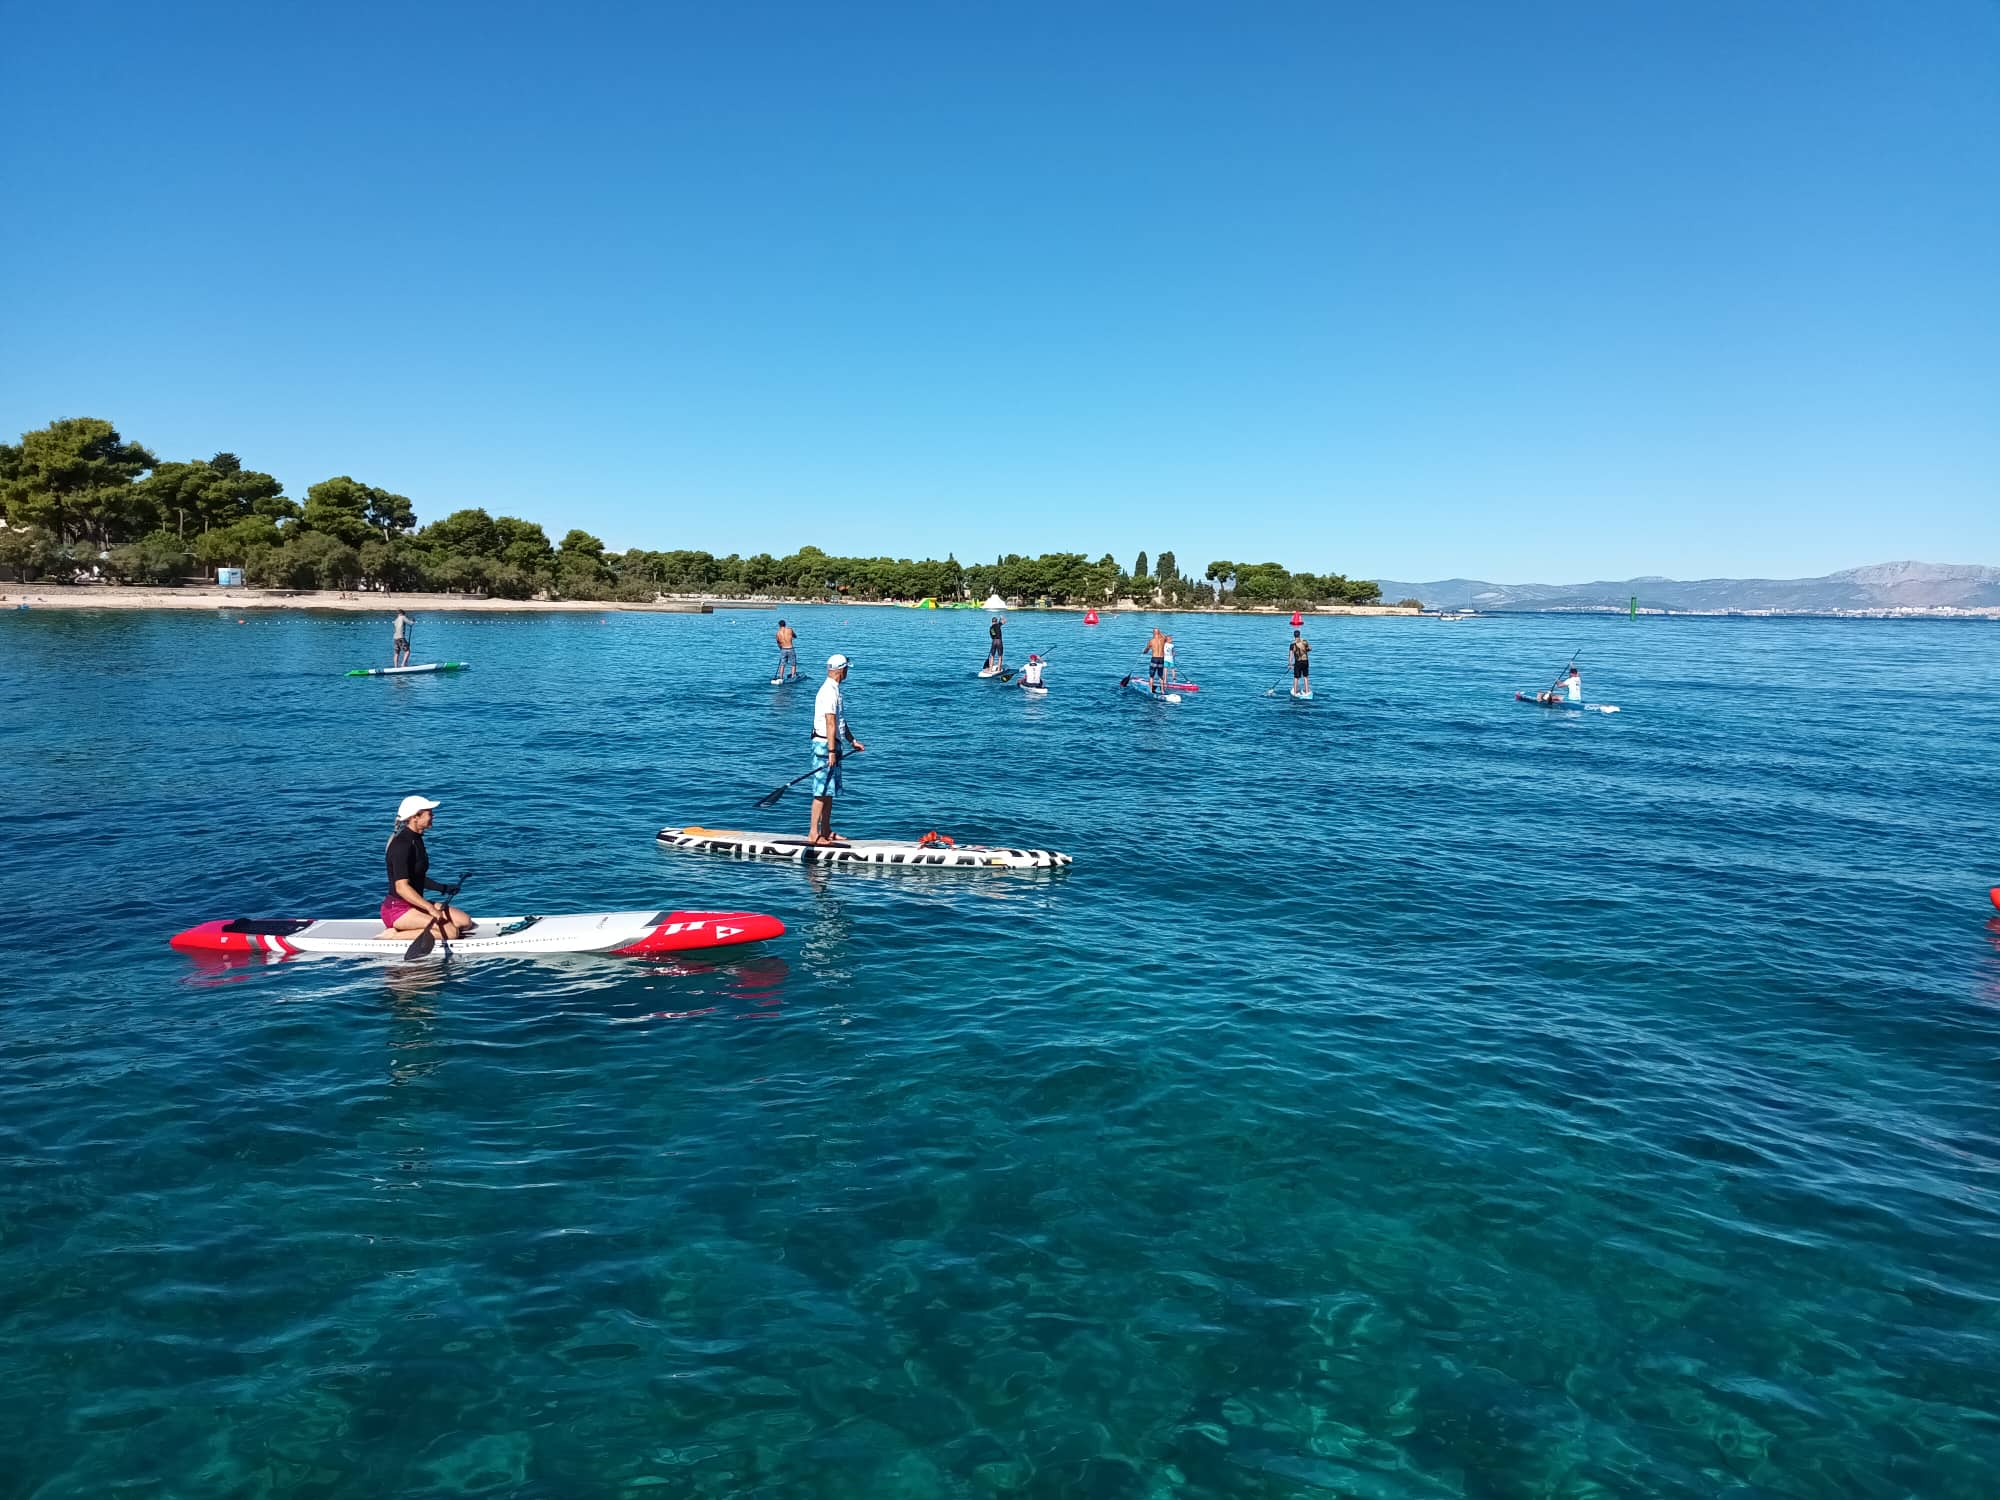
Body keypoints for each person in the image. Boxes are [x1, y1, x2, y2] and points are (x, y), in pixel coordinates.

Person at [379, 795, 473, 939]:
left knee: (465, 922)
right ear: (416, 816)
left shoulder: (416, 839)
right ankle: (393, 935)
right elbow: (402, 888)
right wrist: (430, 909)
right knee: (451, 932)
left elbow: (417, 877)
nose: (433, 816)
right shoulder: (401, 845)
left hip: (414, 904)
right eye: (429, 813)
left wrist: (443, 888)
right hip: (397, 910)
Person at [808, 655, 864, 846]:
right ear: (841, 670)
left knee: (829, 791)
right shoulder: (828, 692)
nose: (848, 672)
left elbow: (840, 723)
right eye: (847, 669)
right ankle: (814, 834)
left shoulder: (835, 690)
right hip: (825, 745)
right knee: (821, 791)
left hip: (832, 744)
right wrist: (832, 751)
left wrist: (852, 741)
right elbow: (830, 722)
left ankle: (826, 831)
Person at [1144, 626, 1167, 693]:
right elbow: (1165, 637)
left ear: (1153, 633)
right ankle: (1162, 691)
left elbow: (1146, 650)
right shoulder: (1163, 639)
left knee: (1152, 676)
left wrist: (1144, 651)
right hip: (1161, 659)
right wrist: (1160, 632)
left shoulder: (1151, 641)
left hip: (1154, 659)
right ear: (1159, 632)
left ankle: (1151, 691)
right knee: (1160, 676)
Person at [1289, 629, 1311, 696]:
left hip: (1298, 662)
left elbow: (1291, 655)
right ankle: (1307, 692)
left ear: (1294, 636)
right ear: (1299, 635)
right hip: (1305, 661)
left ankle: (1295, 692)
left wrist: (1290, 664)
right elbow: (1310, 649)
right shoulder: (1304, 641)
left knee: (1296, 678)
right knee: (1305, 677)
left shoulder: (1292, 644)